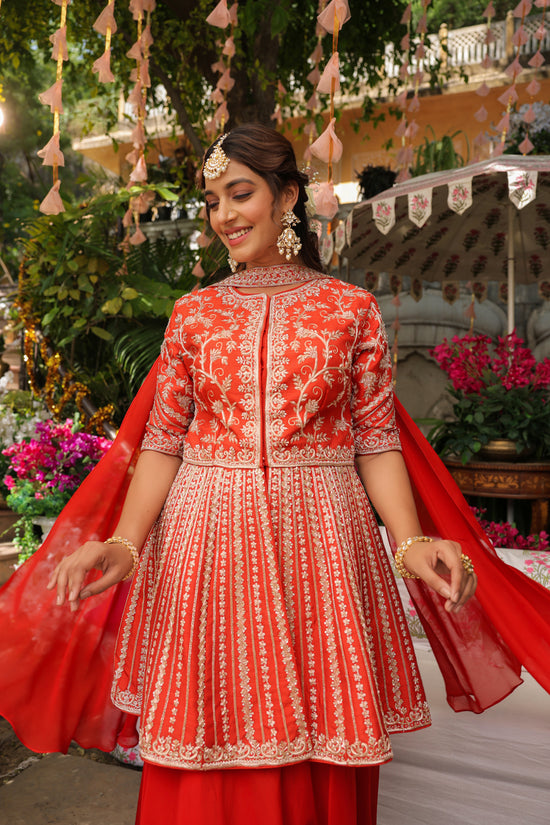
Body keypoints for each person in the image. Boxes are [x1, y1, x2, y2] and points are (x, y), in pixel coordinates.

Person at [1, 124, 550, 825]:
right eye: (212, 201)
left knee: (320, 738)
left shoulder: (350, 312)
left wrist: (411, 543)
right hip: (204, 547)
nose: (224, 215)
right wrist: (125, 544)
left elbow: (377, 442)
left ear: (287, 196)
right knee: (204, 733)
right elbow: (163, 443)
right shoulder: (193, 316)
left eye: (240, 194)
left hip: (321, 542)